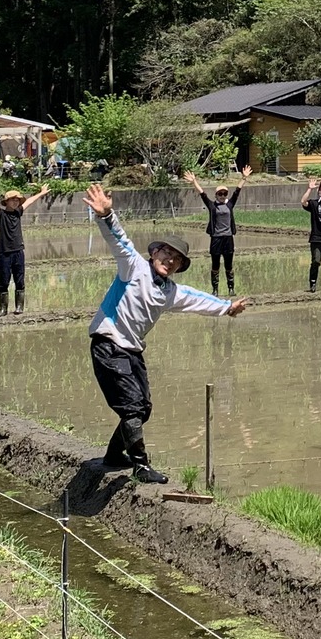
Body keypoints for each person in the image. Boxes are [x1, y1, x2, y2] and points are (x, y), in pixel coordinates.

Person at [74, 183, 246, 495]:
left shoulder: (170, 292)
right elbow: (120, 241)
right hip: (108, 343)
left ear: (179, 267)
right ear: (155, 252)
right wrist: (107, 215)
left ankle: (114, 455)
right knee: (131, 407)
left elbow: (197, 299)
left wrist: (226, 308)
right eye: (166, 253)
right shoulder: (133, 268)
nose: (170, 260)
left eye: (177, 260)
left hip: (132, 350)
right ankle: (141, 466)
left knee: (144, 408)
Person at [0, 182, 49, 314]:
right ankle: (3, 308)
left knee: (19, 280)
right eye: (13, 200)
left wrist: (42, 193)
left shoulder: (18, 213)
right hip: (4, 253)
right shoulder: (1, 215)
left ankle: (19, 307)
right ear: (7, 201)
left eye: (17, 200)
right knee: (3, 281)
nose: (16, 202)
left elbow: (30, 201)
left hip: (18, 251)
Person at [187, 169, 240, 296]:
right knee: (215, 265)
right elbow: (202, 194)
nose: (222, 196)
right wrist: (194, 181)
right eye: (220, 194)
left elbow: (237, 191)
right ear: (216, 195)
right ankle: (215, 290)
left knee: (229, 265)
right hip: (216, 239)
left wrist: (243, 178)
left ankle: (231, 289)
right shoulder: (212, 206)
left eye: (225, 194)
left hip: (228, 238)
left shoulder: (229, 205)